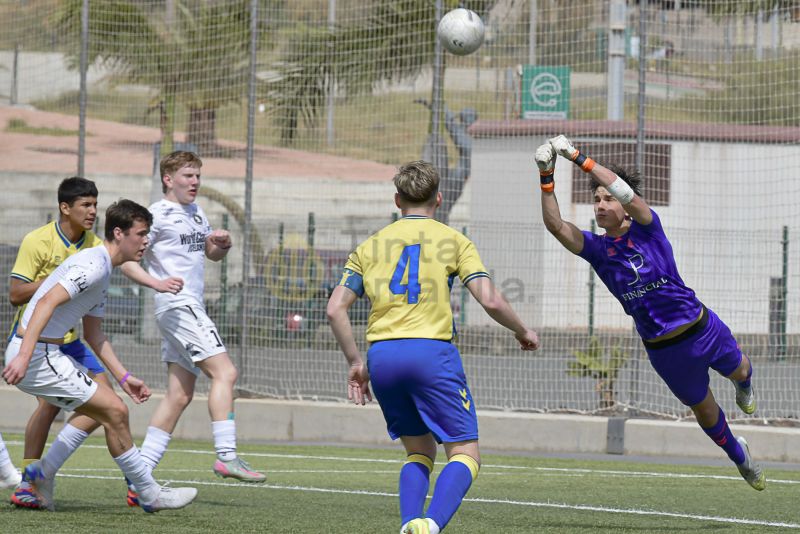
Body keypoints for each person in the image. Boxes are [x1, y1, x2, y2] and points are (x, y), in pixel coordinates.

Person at [535, 135, 765, 491]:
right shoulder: (597, 249)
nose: (600, 205)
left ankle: (743, 386)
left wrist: (578, 157)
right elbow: (556, 226)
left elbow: (627, 193)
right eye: (596, 200)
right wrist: (546, 176)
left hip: (702, 328)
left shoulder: (648, 227)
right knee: (704, 410)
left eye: (607, 198)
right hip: (664, 350)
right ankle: (740, 457)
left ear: (625, 207)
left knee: (742, 369)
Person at [327, 160, 540, 534]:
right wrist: (522, 330)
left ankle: (410, 524)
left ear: (397, 200)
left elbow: (334, 309)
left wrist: (356, 363)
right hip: (430, 354)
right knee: (465, 453)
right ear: (438, 199)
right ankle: (432, 524)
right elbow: (490, 300)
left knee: (419, 451)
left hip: (382, 357)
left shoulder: (369, 246)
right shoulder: (453, 240)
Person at [2, 199, 198, 512]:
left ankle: (40, 477)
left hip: (47, 352)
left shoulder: (103, 270)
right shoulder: (93, 265)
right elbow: (46, 302)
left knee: (103, 410)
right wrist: (25, 356)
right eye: (141, 233)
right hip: (38, 355)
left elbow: (95, 334)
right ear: (119, 233)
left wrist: (124, 377)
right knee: (115, 410)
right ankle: (148, 493)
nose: (146, 241)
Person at [120, 150, 265, 507]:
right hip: (178, 306)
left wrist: (220, 245)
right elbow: (125, 260)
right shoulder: (156, 215)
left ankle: (140, 478)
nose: (195, 182)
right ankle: (227, 455)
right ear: (168, 179)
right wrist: (157, 283)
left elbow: (209, 255)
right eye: (188, 176)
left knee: (179, 395)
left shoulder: (196, 212)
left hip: (187, 306)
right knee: (226, 372)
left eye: (198, 176)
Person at [7, 177, 111, 508]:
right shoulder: (37, 240)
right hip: (38, 339)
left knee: (109, 405)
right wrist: (57, 278)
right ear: (65, 208)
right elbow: (15, 294)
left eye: (95, 205)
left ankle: (43, 473)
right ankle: (28, 482)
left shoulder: (96, 245)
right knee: (49, 407)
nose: (93, 211)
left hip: (72, 340)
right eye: (85, 205)